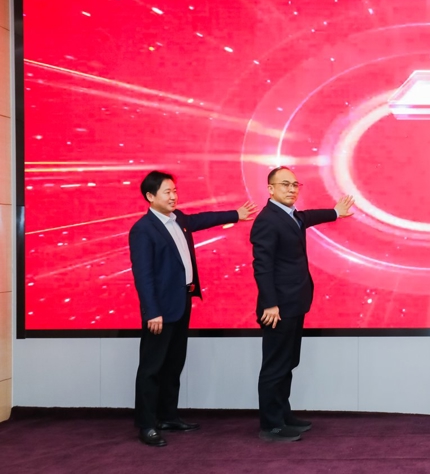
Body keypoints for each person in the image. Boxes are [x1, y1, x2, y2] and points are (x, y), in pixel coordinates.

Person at [130, 170, 256, 447]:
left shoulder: (179, 219)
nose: (173, 196)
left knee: (173, 365)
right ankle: (147, 425)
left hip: (181, 303)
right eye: (167, 192)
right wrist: (152, 311)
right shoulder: (143, 229)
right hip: (160, 311)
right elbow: (143, 275)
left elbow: (203, 219)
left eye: (175, 191)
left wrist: (235, 214)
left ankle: (168, 416)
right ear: (150, 196)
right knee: (151, 369)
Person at [251, 166, 355, 442]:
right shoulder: (267, 220)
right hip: (278, 308)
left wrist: (335, 212)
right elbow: (262, 265)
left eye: (295, 185)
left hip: (294, 303)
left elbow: (307, 217)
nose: (291, 189)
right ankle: (271, 426)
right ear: (271, 189)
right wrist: (270, 304)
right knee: (275, 366)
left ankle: (283, 415)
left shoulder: (291, 215)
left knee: (288, 362)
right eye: (285, 184)